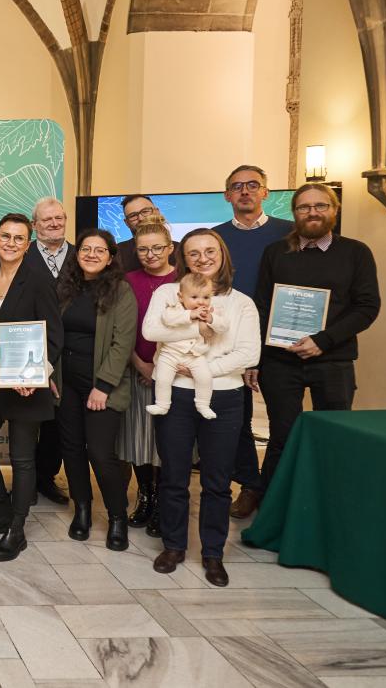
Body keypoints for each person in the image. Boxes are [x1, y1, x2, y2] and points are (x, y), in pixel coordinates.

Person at [144, 228, 260, 587]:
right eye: (194, 253)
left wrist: (203, 368)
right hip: (175, 395)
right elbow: (151, 331)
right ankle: (174, 546)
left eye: (210, 251)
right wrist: (193, 336)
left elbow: (249, 354)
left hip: (224, 399)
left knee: (217, 481)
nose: (203, 258)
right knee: (174, 476)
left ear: (222, 254)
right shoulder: (168, 292)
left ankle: (213, 553)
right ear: (182, 257)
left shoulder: (240, 303)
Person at [254, 184, 380, 495]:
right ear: (294, 213)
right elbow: (262, 306)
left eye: (321, 205)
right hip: (280, 362)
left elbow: (367, 307)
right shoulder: (275, 253)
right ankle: (273, 507)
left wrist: (323, 340)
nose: (312, 212)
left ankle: (329, 504)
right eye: (304, 207)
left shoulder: (356, 252)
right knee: (282, 436)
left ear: (334, 211)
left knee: (333, 435)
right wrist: (256, 360)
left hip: (333, 360)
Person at [0, 213, 62, 561]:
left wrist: (36, 376)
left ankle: (16, 529)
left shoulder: (38, 281)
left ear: (28, 242)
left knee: (22, 459)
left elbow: (55, 337)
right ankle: (2, 509)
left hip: (26, 386)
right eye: (5, 236)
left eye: (19, 238)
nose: (11, 243)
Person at [211, 166, 292, 519]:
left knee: (282, 421)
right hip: (229, 343)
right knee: (237, 419)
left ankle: (277, 489)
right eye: (237, 187)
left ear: (265, 192)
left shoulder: (289, 234)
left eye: (252, 185)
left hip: (280, 342)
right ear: (227, 195)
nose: (245, 191)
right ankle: (249, 485)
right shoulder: (214, 238)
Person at [56, 229, 137, 552]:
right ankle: (83, 510)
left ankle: (117, 517)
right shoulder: (66, 289)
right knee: (72, 450)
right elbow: (52, 332)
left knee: (101, 455)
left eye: (98, 250)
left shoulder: (120, 291)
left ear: (110, 256)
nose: (90, 254)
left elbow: (122, 343)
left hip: (102, 386)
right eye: (85, 249)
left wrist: (103, 386)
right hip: (66, 383)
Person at [120, 219, 177, 535]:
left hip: (176, 376)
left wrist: (162, 368)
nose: (150, 254)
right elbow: (121, 329)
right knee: (139, 441)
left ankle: (164, 504)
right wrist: (141, 365)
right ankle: (145, 497)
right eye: (143, 249)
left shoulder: (186, 280)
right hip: (136, 371)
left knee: (165, 444)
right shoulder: (127, 281)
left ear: (170, 248)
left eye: (157, 247)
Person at [30, 196, 74, 506]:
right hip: (30, 348)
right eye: (47, 220)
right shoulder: (22, 254)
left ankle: (47, 477)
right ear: (35, 225)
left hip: (71, 352)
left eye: (59, 218)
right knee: (30, 417)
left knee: (60, 420)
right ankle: (27, 478)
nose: (54, 223)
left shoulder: (82, 255)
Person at [145, 272, 228, 420]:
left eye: (206, 297)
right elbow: (168, 320)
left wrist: (212, 319)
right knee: (163, 378)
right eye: (194, 297)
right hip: (170, 354)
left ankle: (203, 404)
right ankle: (162, 405)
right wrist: (190, 315)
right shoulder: (175, 309)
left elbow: (223, 327)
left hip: (195, 355)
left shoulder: (212, 312)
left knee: (205, 378)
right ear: (181, 296)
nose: (201, 302)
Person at [117, 195, 178, 273]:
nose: (141, 218)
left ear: (157, 212)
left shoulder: (180, 250)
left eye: (145, 211)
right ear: (127, 223)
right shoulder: (118, 253)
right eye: (133, 216)